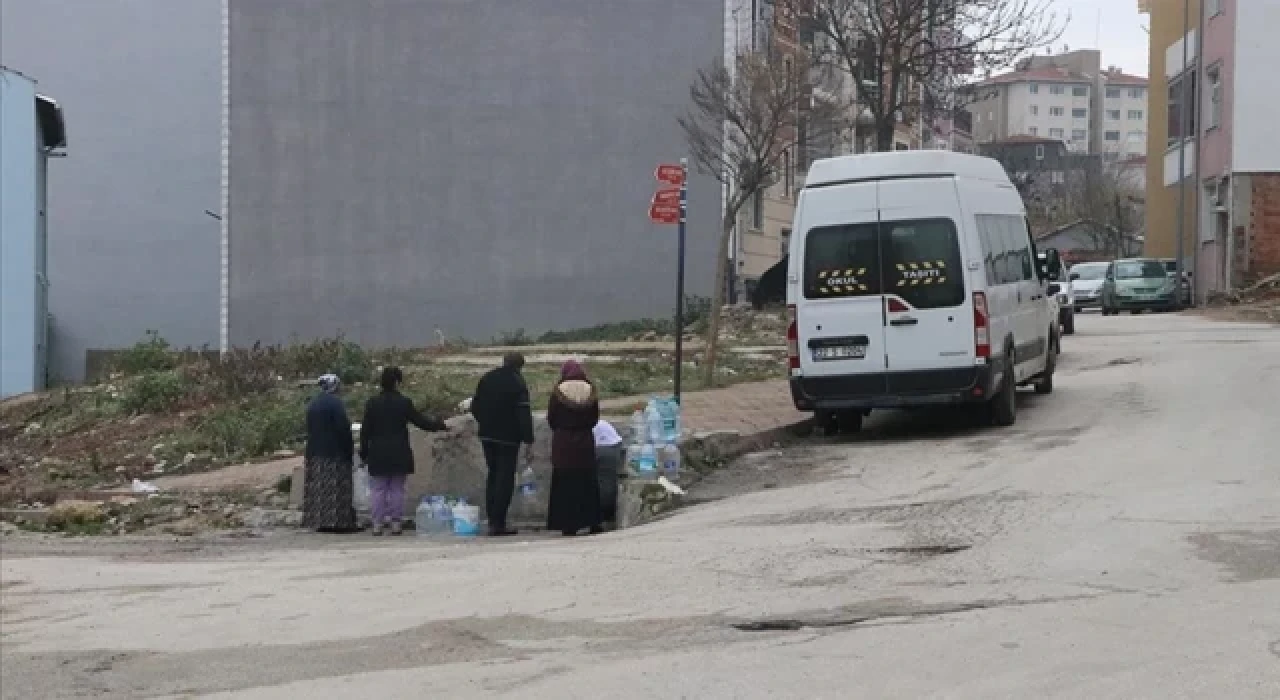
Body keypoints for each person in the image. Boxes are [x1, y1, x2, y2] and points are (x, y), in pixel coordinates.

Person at [359, 366, 448, 535]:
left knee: (378, 489)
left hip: (377, 451)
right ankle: (396, 524)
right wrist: (439, 425)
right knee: (397, 489)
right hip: (399, 450)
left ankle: (377, 524)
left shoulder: (372, 403)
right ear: (397, 383)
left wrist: (364, 452)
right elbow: (421, 422)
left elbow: (365, 431)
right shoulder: (404, 403)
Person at [470, 352, 535, 536]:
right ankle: (498, 523)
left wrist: (485, 422)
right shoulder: (518, 383)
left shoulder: (487, 378)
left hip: (487, 436)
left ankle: (492, 519)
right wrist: (528, 440)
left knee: (493, 475)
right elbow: (523, 414)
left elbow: (475, 407)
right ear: (520, 366)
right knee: (504, 480)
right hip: (508, 439)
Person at [546, 360, 603, 536]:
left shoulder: (558, 391)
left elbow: (552, 418)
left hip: (563, 442)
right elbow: (594, 418)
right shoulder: (590, 390)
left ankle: (568, 525)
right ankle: (593, 522)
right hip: (585, 441)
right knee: (588, 482)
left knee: (565, 483)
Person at [302, 373, 358, 533]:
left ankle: (320, 521)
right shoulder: (336, 404)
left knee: (319, 489)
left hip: (314, 451)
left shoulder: (313, 404)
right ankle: (339, 523)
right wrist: (349, 449)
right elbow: (343, 429)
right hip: (335, 452)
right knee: (336, 488)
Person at [593, 418, 624, 526]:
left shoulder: (586, 423)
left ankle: (602, 518)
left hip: (602, 447)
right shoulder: (600, 422)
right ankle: (608, 516)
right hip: (615, 444)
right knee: (609, 483)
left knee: (603, 486)